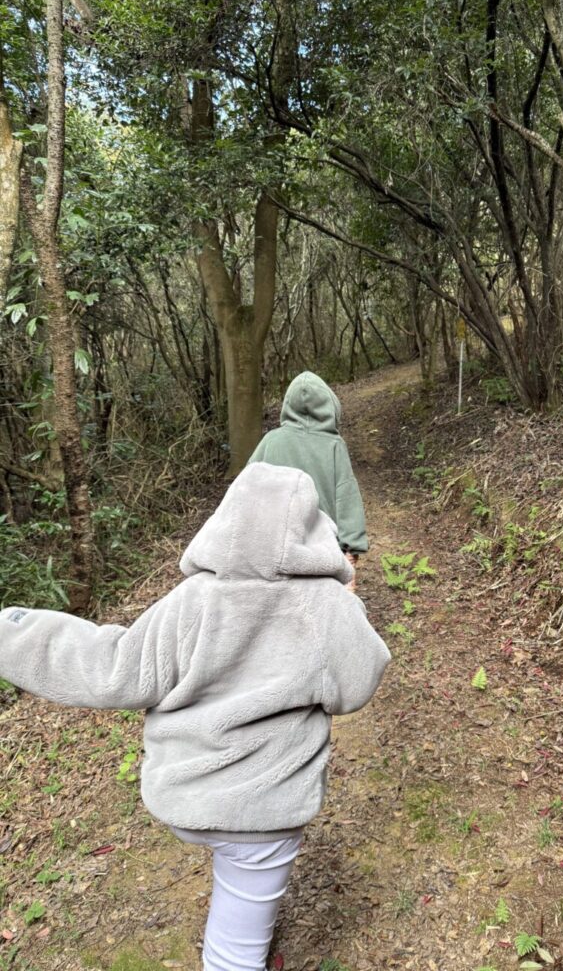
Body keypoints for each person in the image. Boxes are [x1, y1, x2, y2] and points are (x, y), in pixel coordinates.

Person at [0, 463, 391, 971]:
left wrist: (13, 630)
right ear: (313, 527)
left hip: (184, 796)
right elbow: (357, 685)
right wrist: (349, 608)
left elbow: (114, 666)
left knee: (230, 875)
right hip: (264, 812)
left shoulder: (191, 600)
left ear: (225, 520)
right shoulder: (325, 605)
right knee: (239, 939)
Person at [249, 372, 368, 563]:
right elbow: (347, 495)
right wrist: (351, 548)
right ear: (329, 406)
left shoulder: (271, 440)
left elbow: (246, 489)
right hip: (323, 546)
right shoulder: (334, 445)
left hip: (275, 542)